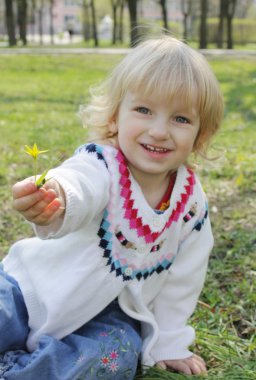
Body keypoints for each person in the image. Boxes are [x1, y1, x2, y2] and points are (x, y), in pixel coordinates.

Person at [0, 35, 223, 379]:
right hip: (31, 291)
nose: (159, 130)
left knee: (114, 357)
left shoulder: (191, 204)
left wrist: (169, 343)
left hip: (108, 319)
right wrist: (57, 197)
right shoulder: (102, 164)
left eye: (181, 119)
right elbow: (78, 183)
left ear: (200, 134)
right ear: (115, 116)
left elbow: (183, 281)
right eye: (144, 110)